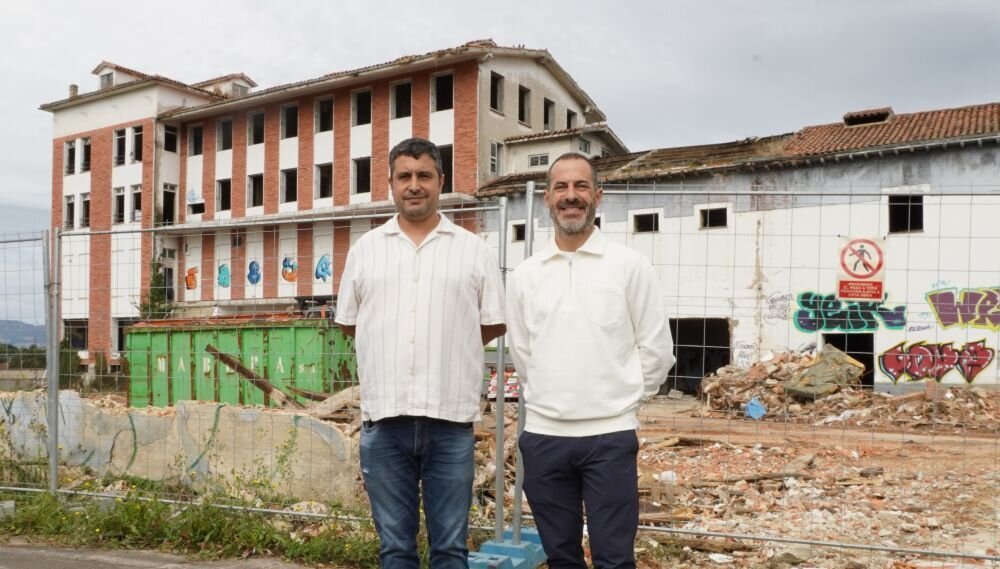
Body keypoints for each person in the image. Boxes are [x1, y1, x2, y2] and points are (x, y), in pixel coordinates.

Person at [335, 137, 506, 569]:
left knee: (450, 549)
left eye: (424, 176)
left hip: (450, 423)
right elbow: (352, 324)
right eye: (404, 176)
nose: (415, 185)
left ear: (441, 181)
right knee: (395, 549)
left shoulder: (473, 250)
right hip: (384, 421)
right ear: (391, 184)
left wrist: (448, 341)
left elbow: (489, 324)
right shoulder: (365, 250)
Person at [505, 152, 675, 569]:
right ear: (547, 197)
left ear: (597, 196)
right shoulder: (525, 274)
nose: (571, 196)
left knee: (614, 558)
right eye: (561, 187)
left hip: (610, 437)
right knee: (561, 557)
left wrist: (623, 401)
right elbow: (523, 352)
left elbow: (657, 349)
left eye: (581, 186)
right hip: (544, 438)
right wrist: (549, 396)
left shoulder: (629, 266)